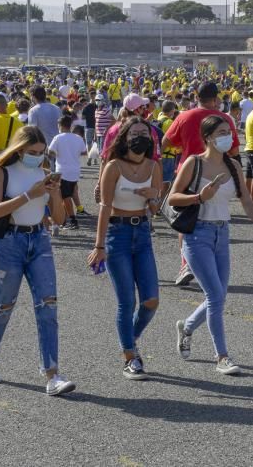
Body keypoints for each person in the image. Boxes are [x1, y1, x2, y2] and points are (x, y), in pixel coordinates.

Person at [0, 126, 75, 396]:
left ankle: (52, 374)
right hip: (9, 242)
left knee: (48, 306)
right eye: (32, 152)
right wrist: (30, 194)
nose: (38, 157)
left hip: (39, 240)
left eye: (42, 153)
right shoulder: (1, 172)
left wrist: (54, 193)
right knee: (3, 305)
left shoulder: (44, 174)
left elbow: (60, 219)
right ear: (19, 149)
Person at [168, 114, 253, 375]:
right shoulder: (194, 163)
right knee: (214, 295)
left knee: (219, 296)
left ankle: (187, 326)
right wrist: (201, 196)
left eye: (230, 132)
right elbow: (173, 198)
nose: (229, 136)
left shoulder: (233, 165)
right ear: (208, 137)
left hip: (222, 234)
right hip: (196, 235)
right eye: (223, 132)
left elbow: (245, 198)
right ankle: (222, 357)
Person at [88, 117, 163, 380]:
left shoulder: (154, 166)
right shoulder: (113, 166)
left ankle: (129, 338)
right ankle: (130, 357)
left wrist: (152, 196)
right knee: (127, 301)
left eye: (145, 132)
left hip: (142, 232)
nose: (141, 136)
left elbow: (156, 209)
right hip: (116, 234)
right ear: (125, 136)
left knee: (152, 300)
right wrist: (99, 246)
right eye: (135, 132)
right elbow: (105, 207)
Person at [164, 82, 240, 287]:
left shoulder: (183, 116)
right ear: (215, 99)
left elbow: (165, 143)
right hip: (217, 175)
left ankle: (186, 264)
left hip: (187, 172)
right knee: (214, 220)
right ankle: (207, 264)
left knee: (186, 220)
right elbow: (233, 151)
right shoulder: (224, 119)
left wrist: (185, 145)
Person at [48, 115, 88, 231]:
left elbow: (50, 152)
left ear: (60, 126)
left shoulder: (58, 138)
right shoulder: (78, 138)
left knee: (65, 197)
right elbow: (84, 152)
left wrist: (58, 155)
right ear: (70, 125)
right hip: (75, 171)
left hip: (62, 171)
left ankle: (72, 220)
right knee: (66, 195)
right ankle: (64, 219)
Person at [28, 85, 62, 150]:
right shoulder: (57, 108)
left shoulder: (33, 111)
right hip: (59, 145)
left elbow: (32, 132)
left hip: (45, 148)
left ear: (33, 96)